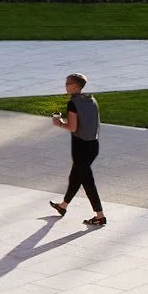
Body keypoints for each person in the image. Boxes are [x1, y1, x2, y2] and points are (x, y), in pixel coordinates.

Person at [47, 71, 106, 227]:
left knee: (87, 181)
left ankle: (100, 216)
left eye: (68, 84)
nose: (66, 86)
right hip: (93, 145)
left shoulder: (73, 103)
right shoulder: (91, 99)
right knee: (75, 177)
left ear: (76, 86)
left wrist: (59, 123)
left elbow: (73, 127)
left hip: (80, 147)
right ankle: (63, 206)